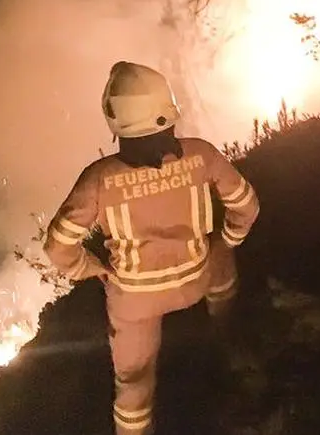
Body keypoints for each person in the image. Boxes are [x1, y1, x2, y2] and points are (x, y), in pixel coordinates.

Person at [43, 61, 261, 435]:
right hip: (196, 279)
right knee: (222, 255)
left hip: (136, 302)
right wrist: (227, 240)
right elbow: (247, 207)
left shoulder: (100, 177)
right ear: (169, 109)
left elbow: (58, 246)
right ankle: (229, 340)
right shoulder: (201, 155)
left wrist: (91, 269)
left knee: (133, 380)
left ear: (114, 120)